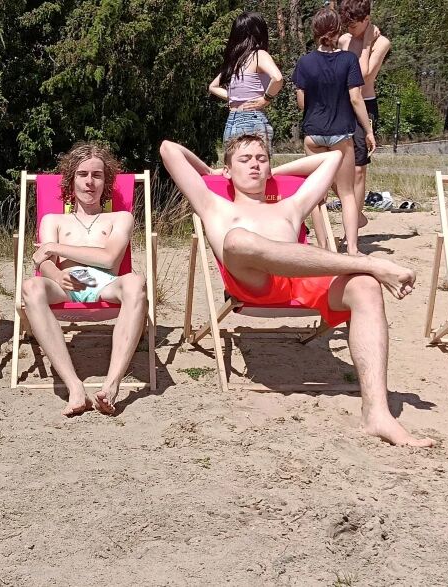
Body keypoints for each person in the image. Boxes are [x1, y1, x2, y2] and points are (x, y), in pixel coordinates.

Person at [160, 134, 433, 447]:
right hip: (253, 284)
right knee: (237, 239)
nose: (254, 165)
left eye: (261, 160)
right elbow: (168, 149)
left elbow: (332, 158)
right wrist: (210, 172)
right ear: (229, 170)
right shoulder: (213, 205)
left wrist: (276, 171)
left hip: (298, 282)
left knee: (365, 285)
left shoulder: (290, 206)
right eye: (245, 160)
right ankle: (368, 263)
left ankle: (377, 414)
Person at [21, 142, 148, 416]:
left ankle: (111, 386)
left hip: (104, 284)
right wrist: (56, 274)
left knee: (136, 282)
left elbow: (110, 259)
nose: (90, 182)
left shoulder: (120, 218)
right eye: (82, 174)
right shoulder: (53, 220)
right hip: (66, 284)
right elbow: (44, 263)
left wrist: (55, 248)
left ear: (106, 182)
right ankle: (75, 387)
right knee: (30, 286)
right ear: (72, 180)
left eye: (97, 175)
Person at [292, 7, 376, 256]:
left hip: (313, 134)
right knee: (347, 193)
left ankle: (323, 248)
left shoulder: (305, 62)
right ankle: (352, 249)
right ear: (338, 31)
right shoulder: (349, 60)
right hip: (340, 133)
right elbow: (356, 99)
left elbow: (301, 103)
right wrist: (368, 130)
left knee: (318, 196)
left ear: (315, 32)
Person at [339, 0, 391, 207]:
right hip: (342, 104)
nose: (350, 30)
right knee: (338, 162)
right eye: (347, 26)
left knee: (359, 166)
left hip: (365, 105)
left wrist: (367, 44)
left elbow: (363, 75)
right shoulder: (344, 40)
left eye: (354, 26)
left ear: (366, 19)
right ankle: (348, 208)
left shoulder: (381, 43)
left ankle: (356, 215)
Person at [208, 11, 284, 146]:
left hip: (233, 119)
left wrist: (234, 98)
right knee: (256, 159)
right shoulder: (259, 55)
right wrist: (266, 99)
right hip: (251, 118)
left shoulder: (236, 61)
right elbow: (277, 78)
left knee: (235, 159)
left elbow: (213, 87)